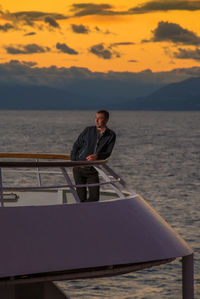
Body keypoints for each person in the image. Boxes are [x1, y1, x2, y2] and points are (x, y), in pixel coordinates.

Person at [71, 110, 116, 202]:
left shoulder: (111, 135)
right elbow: (76, 146)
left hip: (93, 170)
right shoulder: (88, 130)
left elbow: (108, 152)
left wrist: (97, 156)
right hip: (78, 168)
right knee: (80, 199)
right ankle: (82, 214)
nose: (96, 120)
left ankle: (86, 211)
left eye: (100, 118)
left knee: (94, 198)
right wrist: (74, 161)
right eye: (96, 118)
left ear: (106, 120)